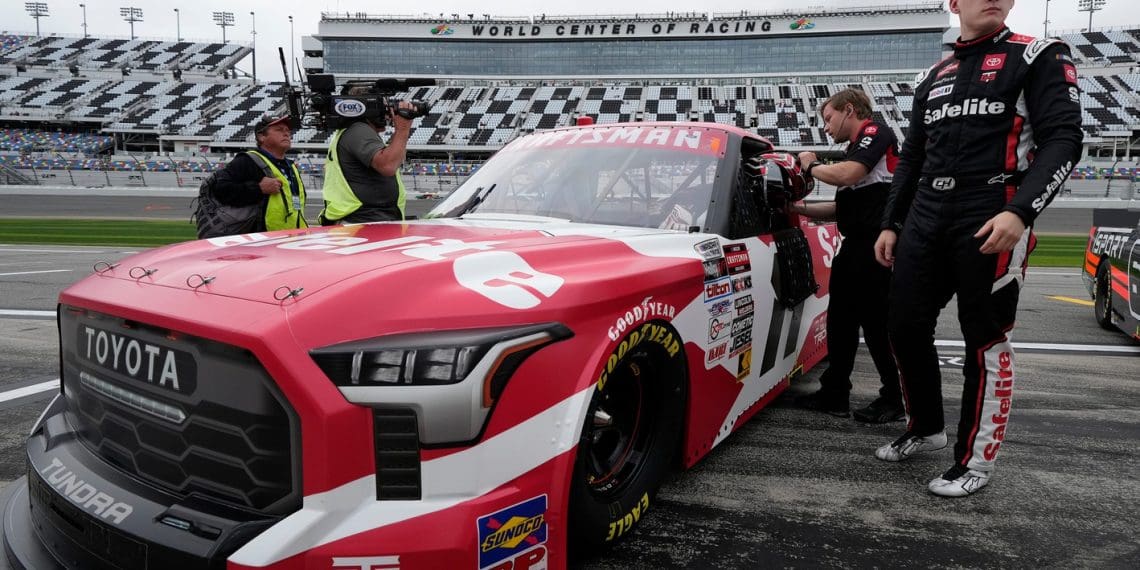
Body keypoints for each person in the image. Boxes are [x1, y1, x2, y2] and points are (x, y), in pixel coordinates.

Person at [873, 0, 1083, 497]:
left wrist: (1022, 211)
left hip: (993, 205)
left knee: (983, 336)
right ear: (954, 3)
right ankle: (925, 427)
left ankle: (975, 460)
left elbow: (1064, 140)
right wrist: (891, 222)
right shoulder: (935, 73)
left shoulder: (1039, 54)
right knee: (902, 324)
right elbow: (912, 157)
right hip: (925, 210)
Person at [790, 88, 903, 424]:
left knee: (877, 327)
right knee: (840, 324)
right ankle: (835, 392)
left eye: (828, 118)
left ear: (849, 110)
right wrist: (793, 208)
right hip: (855, 247)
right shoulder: (855, 151)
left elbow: (846, 175)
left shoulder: (874, 132)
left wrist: (810, 165)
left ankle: (895, 398)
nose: (826, 128)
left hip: (875, 248)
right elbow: (840, 208)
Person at [319, 93, 416, 224]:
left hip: (361, 220)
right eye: (382, 106)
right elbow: (388, 165)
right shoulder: (359, 130)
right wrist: (403, 128)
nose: (387, 113)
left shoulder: (352, 131)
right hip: (363, 221)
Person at [211, 114, 308, 232]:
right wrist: (258, 188)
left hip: (292, 238)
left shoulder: (291, 166)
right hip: (263, 241)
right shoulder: (247, 161)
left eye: (288, 130)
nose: (286, 133)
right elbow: (220, 190)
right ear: (261, 136)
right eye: (279, 130)